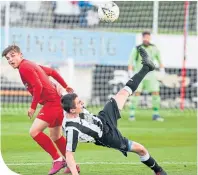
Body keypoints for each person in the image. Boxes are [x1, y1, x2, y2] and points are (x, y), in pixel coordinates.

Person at [61, 47, 167, 175]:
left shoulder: (69, 106)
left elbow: (60, 90)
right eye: (79, 103)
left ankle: (147, 67)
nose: (82, 103)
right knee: (141, 149)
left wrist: (58, 86)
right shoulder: (72, 128)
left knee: (123, 93)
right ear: (72, 110)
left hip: (102, 118)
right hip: (107, 136)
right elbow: (69, 155)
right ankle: (159, 171)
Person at [1, 45, 80, 175]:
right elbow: (53, 72)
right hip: (56, 102)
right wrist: (65, 86)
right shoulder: (31, 64)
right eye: (8, 58)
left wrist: (33, 107)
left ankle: (57, 160)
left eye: (13, 56)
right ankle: (73, 166)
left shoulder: (24, 68)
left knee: (34, 132)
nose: (10, 60)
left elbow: (38, 86)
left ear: (21, 54)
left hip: (52, 103)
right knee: (56, 136)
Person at [128, 31, 165, 121]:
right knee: (136, 93)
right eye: (145, 37)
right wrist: (130, 72)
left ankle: (155, 114)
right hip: (139, 74)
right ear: (142, 38)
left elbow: (159, 60)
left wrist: (162, 70)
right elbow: (131, 61)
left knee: (156, 92)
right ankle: (132, 114)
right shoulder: (137, 48)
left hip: (151, 75)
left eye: (148, 37)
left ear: (150, 38)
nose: (146, 39)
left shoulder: (154, 48)